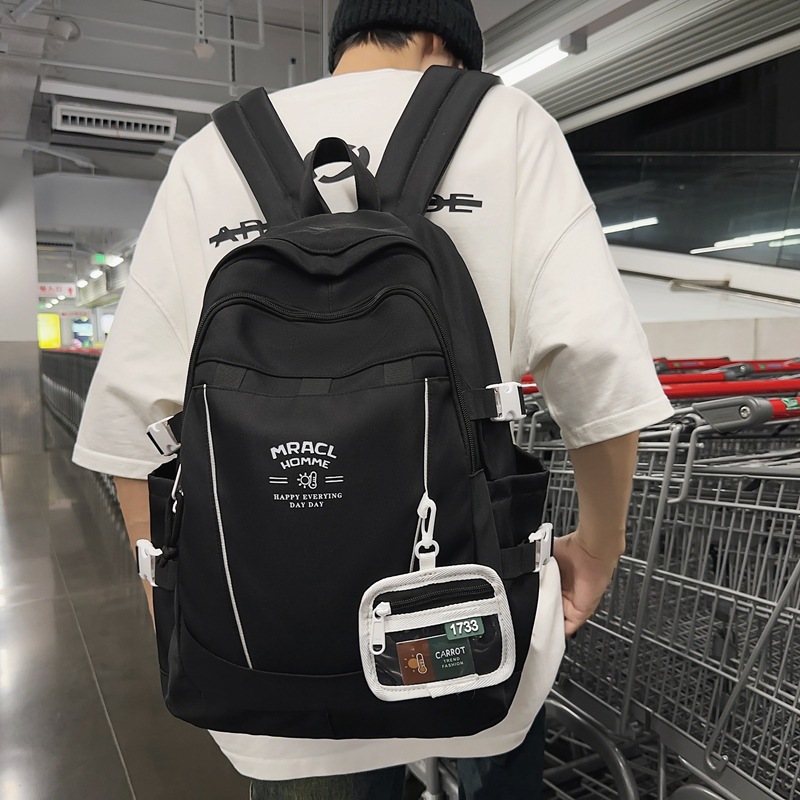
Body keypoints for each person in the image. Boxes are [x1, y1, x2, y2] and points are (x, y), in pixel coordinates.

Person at [73, 1, 673, 797]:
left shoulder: (209, 156)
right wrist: (597, 549)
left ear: (344, 40)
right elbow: (597, 367)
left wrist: (176, 598)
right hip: (472, 646)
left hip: (256, 681)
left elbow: (129, 421)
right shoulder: (506, 123)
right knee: (493, 737)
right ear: (444, 44)